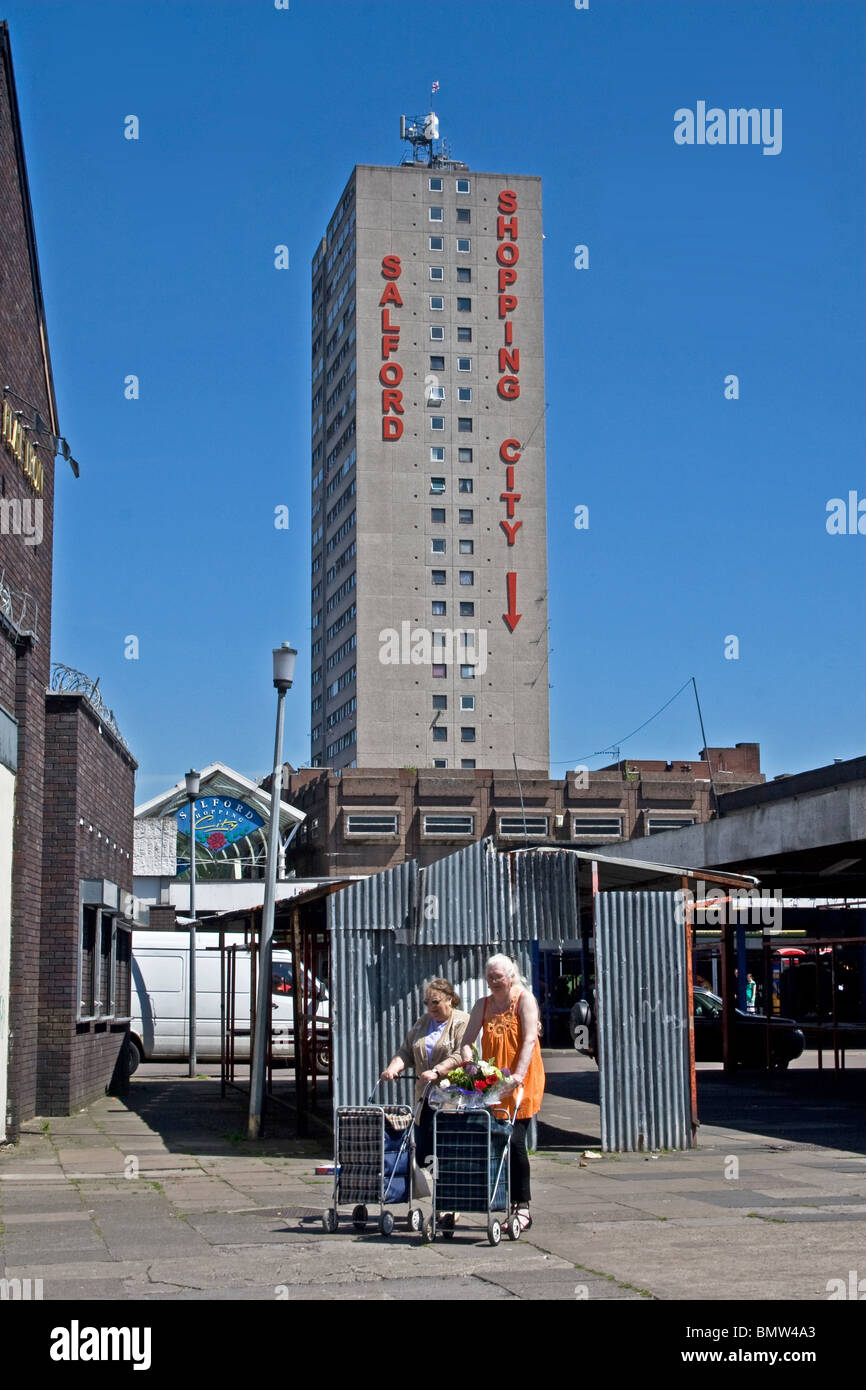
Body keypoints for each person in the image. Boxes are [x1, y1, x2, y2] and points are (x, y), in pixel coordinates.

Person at [459, 953, 545, 1232]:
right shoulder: (482, 1005)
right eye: (490, 977)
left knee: (515, 1140)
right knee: (495, 1142)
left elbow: (530, 1039)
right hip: (494, 1084)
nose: (494, 981)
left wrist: (518, 1076)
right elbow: (467, 1041)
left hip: (523, 1081)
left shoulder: (524, 1000)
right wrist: (471, 1067)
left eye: (499, 976)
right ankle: (498, 1199)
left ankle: (523, 1207)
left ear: (511, 976)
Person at [380, 978, 469, 1165]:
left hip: (451, 1098)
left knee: (445, 1153)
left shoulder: (462, 1021)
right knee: (423, 1154)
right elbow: (406, 1051)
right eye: (427, 1003)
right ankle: (432, 1186)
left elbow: (462, 1054)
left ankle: (444, 1189)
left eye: (435, 1002)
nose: (431, 1008)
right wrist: (393, 1067)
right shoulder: (422, 1022)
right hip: (425, 1097)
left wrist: (437, 1071)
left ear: (449, 999)